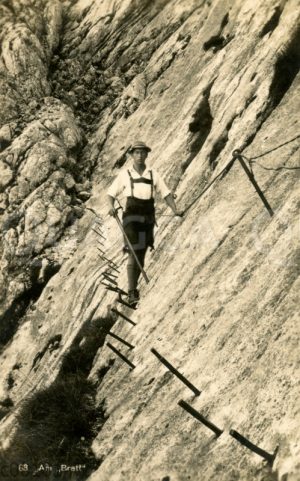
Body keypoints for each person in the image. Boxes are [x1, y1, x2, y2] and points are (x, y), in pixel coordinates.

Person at [107, 140, 183, 304]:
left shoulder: (152, 174)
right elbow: (111, 194)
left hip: (147, 219)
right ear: (132, 155)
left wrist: (175, 210)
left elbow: (165, 193)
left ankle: (133, 288)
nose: (140, 156)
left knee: (140, 253)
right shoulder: (125, 174)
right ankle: (131, 291)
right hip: (131, 218)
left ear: (147, 154)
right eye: (136, 153)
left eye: (143, 152)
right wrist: (111, 207)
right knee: (134, 250)